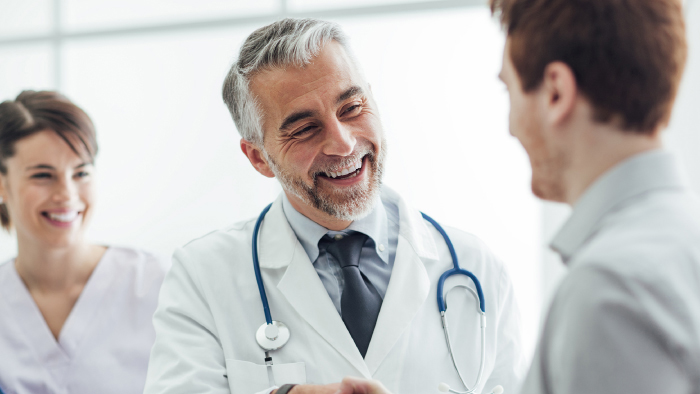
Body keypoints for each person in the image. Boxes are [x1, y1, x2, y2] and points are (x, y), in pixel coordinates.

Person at [144, 18, 526, 394]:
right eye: (305, 129)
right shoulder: (202, 276)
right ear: (258, 157)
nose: (343, 144)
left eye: (352, 108)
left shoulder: (475, 265)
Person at [490, 0, 699, 392]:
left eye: (509, 89)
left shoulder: (610, 289)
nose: (510, 126)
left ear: (556, 92)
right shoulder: (685, 235)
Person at [0, 91, 170, 394]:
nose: (67, 194)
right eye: (42, 175)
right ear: (3, 185)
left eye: (81, 173)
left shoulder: (157, 283)